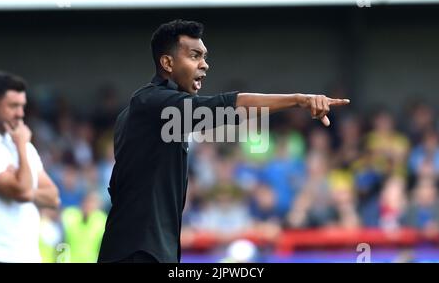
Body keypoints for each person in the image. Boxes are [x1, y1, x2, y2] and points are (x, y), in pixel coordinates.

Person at [98, 19, 350, 263]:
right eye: (195, 55)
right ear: (167, 62)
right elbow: (224, 107)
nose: (205, 65)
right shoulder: (151, 103)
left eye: (205, 57)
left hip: (137, 250)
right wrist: (299, 99)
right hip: (137, 253)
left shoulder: (139, 115)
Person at [0, 71, 60, 263]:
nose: (20, 113)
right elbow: (21, 190)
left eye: (22, 106)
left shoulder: (24, 144)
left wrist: (26, 188)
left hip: (28, 256)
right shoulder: (22, 143)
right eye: (13, 106)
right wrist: (21, 146)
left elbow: (53, 197)